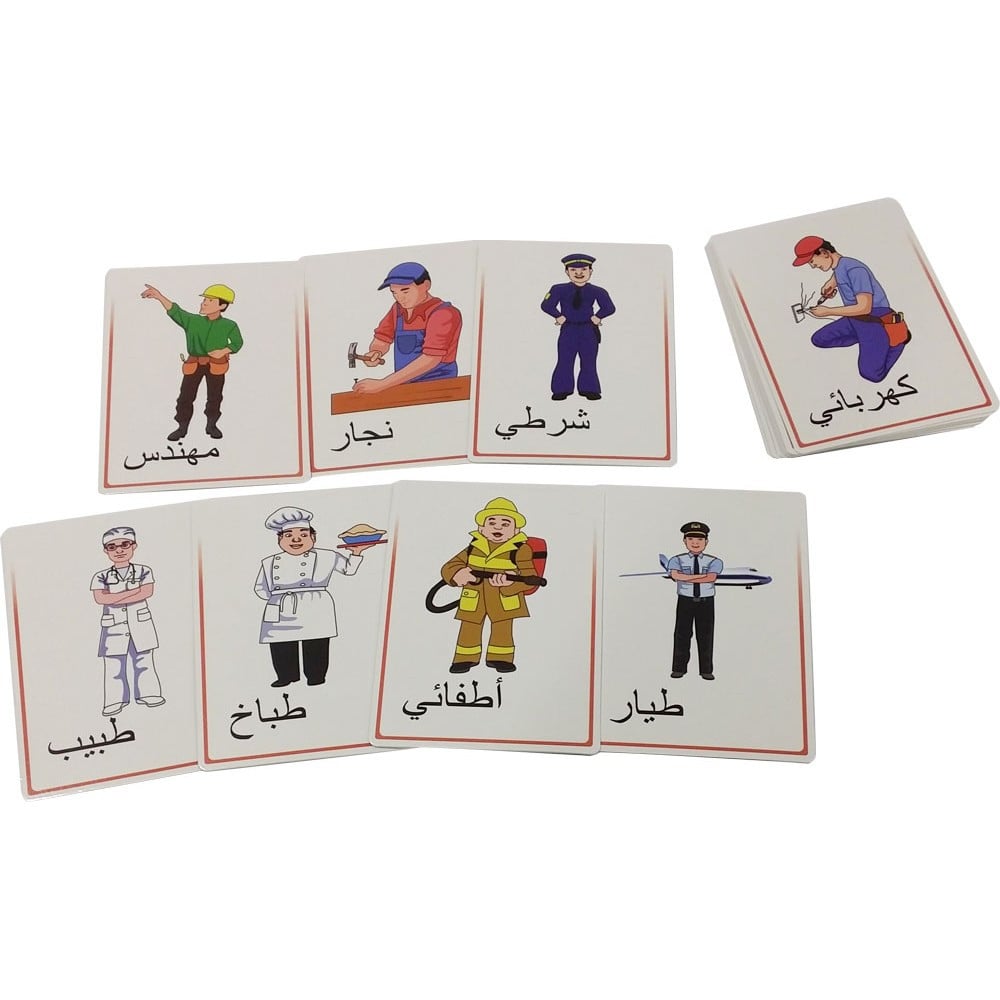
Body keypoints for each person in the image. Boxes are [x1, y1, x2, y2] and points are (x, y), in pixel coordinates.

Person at [254, 507, 370, 687]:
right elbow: (260, 587)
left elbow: (348, 569)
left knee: (316, 642)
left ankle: (316, 676)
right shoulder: (269, 562)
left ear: (313, 537)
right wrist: (277, 600)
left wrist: (356, 553)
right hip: (280, 607)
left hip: (315, 604)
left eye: (303, 534)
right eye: (288, 535)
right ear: (280, 540)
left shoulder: (327, 556)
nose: (296, 540)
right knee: (281, 644)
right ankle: (286, 676)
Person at [793, 236, 910, 383]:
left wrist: (828, 311)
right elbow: (839, 275)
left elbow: (864, 307)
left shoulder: (855, 270)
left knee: (871, 375)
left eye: (812, 261)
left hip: (875, 319)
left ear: (824, 253)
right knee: (819, 339)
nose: (813, 266)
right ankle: (869, 342)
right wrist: (831, 284)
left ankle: (897, 341)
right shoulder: (839, 266)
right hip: (855, 319)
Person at [440, 497, 536, 674]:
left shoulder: (521, 550)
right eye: (492, 523)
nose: (498, 528)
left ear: (516, 530)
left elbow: (530, 577)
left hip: (503, 597)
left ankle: (501, 658)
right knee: (469, 627)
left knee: (502, 628)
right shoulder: (473, 547)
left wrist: (511, 582)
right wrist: (457, 574)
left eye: (505, 524)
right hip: (474, 597)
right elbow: (450, 565)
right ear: (481, 528)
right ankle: (464, 659)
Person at [141, 282, 244, 440]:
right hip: (194, 363)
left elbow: (237, 342)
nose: (204, 303)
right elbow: (176, 311)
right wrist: (159, 297)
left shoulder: (229, 325)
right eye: (204, 300)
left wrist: (223, 351)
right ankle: (182, 427)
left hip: (216, 365)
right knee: (185, 396)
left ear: (222, 306)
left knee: (215, 396)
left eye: (210, 301)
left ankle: (211, 425)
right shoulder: (193, 321)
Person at [352, 262, 462, 395]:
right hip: (403, 384)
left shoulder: (444, 314)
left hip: (438, 385)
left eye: (405, 291)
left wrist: (381, 384)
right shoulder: (397, 309)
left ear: (426, 285)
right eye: (394, 292)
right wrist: (376, 351)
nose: (400, 298)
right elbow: (383, 338)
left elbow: (430, 359)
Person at [91, 526, 166, 716]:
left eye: (125, 544)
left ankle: (149, 694)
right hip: (113, 627)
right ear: (105, 551)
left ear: (134, 546)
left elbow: (147, 592)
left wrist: (114, 597)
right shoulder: (101, 576)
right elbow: (100, 598)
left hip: (140, 623)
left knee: (144, 660)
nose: (119, 550)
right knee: (114, 664)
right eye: (112, 547)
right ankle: (115, 701)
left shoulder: (144, 571)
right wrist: (133, 592)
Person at [540, 252, 616, 401]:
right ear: (567, 272)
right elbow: (546, 305)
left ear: (591, 271)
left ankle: (589, 389)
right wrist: (558, 315)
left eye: (584, 269)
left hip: (588, 330)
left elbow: (609, 307)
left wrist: (598, 316)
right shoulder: (558, 289)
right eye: (573, 270)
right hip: (568, 329)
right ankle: (561, 390)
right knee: (565, 359)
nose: (579, 273)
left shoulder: (598, 291)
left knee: (589, 361)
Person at [665, 521, 723, 681]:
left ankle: (706, 670)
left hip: (706, 602)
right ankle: (678, 669)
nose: (695, 543)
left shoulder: (714, 561)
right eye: (690, 539)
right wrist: (700, 577)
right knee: (681, 635)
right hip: (685, 601)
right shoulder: (676, 559)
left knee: (706, 636)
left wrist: (685, 577)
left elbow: (711, 578)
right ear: (684, 541)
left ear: (706, 542)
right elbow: (676, 575)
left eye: (700, 539)